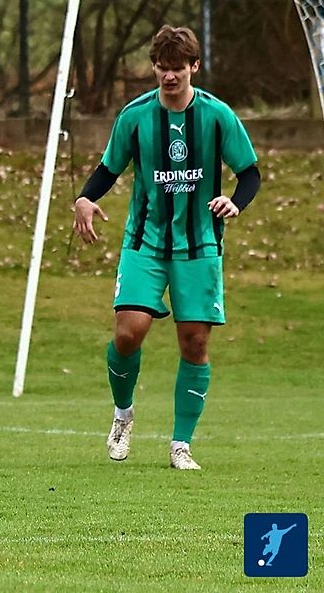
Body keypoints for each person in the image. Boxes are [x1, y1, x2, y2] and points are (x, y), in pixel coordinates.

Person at [72, 25, 261, 470]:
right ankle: (123, 415)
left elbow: (249, 173)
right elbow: (108, 168)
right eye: (162, 67)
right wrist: (85, 198)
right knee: (127, 333)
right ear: (154, 67)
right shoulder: (135, 116)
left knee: (194, 342)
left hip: (199, 244)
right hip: (145, 242)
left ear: (194, 67)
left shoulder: (216, 116)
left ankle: (181, 444)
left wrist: (234, 201)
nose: (169, 76)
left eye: (178, 68)